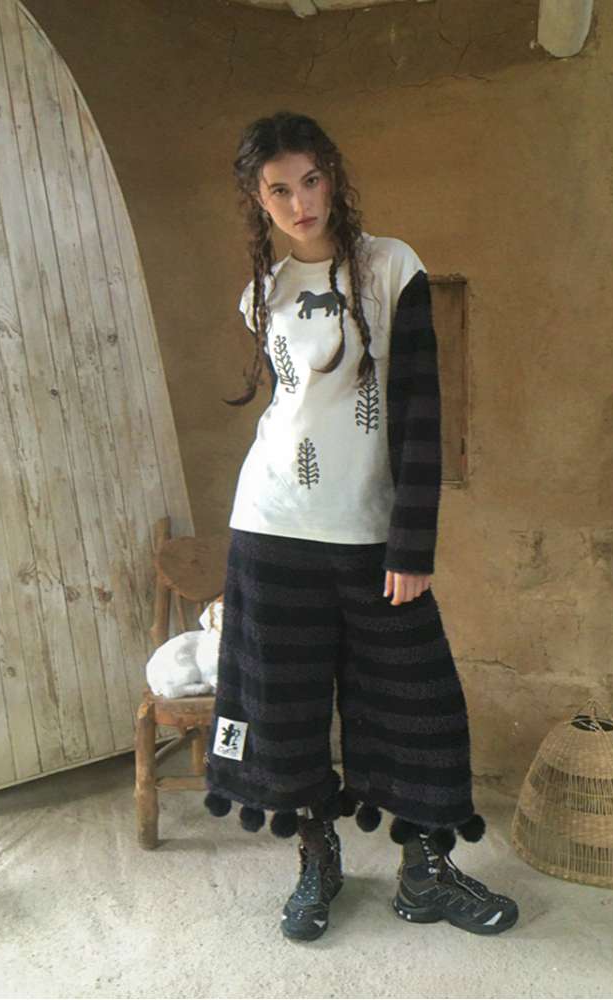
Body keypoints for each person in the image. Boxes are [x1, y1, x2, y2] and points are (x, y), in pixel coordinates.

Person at [204, 110, 518, 942]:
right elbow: (293, 412)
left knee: (418, 704)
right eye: (279, 190)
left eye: (311, 180)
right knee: (284, 708)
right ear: (258, 200)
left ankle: (425, 871)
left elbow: (418, 413)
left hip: (372, 537)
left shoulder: (390, 267)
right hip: (272, 527)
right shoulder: (262, 294)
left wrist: (412, 542)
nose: (300, 203)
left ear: (333, 176)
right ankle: (318, 859)